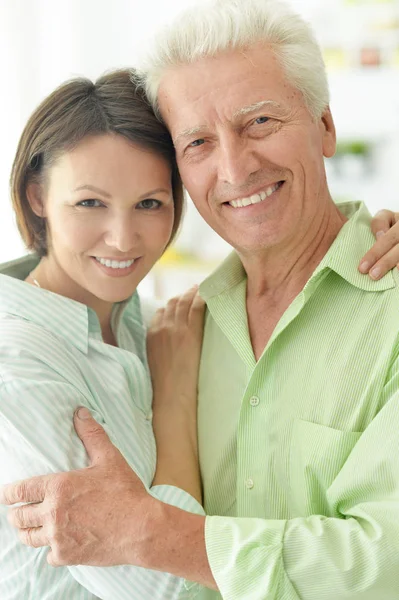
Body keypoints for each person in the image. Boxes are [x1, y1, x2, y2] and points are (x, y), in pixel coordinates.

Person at [3, 1, 399, 597]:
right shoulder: (185, 327)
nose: (236, 169)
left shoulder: (153, 325)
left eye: (260, 122)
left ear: (325, 125)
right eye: (198, 143)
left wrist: (149, 530)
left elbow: (383, 558)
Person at [0, 69, 206, 600]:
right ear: (37, 196)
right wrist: (175, 401)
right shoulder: (15, 359)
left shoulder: (152, 323)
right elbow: (155, 584)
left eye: (149, 204)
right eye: (90, 203)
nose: (123, 238)